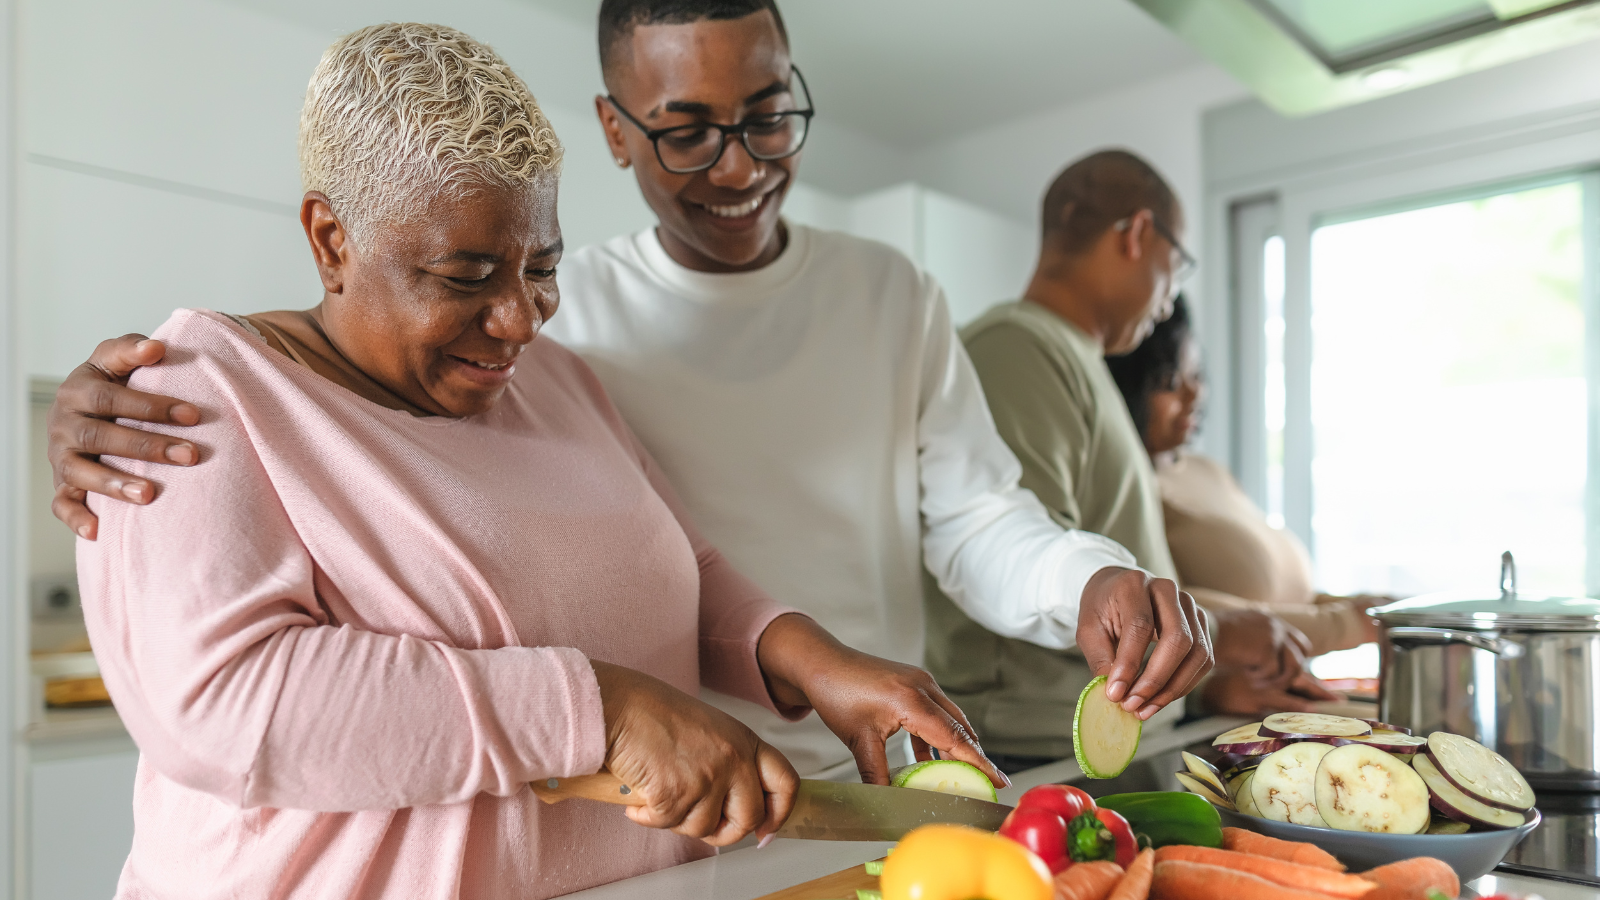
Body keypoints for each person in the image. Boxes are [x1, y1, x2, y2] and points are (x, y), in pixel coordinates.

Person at [46, 0, 1223, 781]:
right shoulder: (555, 335)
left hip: (868, 757)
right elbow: (319, 395)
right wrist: (135, 390)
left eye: (767, 118)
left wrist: (1083, 577)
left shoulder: (878, 296)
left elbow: (967, 518)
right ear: (615, 133)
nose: (740, 166)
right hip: (652, 787)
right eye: (688, 133)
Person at [76, 24, 1007, 899]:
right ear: (331, 240)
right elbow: (229, 704)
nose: (519, 319)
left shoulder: (555, 379)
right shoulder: (186, 398)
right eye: (467, 277)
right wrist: (603, 708)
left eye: (543, 268)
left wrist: (817, 661)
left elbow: (684, 566)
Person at [927, 150, 1335, 773]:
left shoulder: (1074, 359)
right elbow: (1017, 563)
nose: (1170, 302)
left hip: (1113, 741)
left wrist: (1204, 675)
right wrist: (1224, 634)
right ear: (1139, 234)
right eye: (1177, 267)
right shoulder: (1015, 348)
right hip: (1040, 752)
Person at [1106, 296, 1385, 656]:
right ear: (1128, 388)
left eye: (1196, 375)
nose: (1194, 394)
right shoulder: (1129, 488)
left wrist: (1364, 607)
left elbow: (1281, 594)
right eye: (1170, 381)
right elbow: (1172, 609)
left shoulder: (1206, 470)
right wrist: (1348, 624)